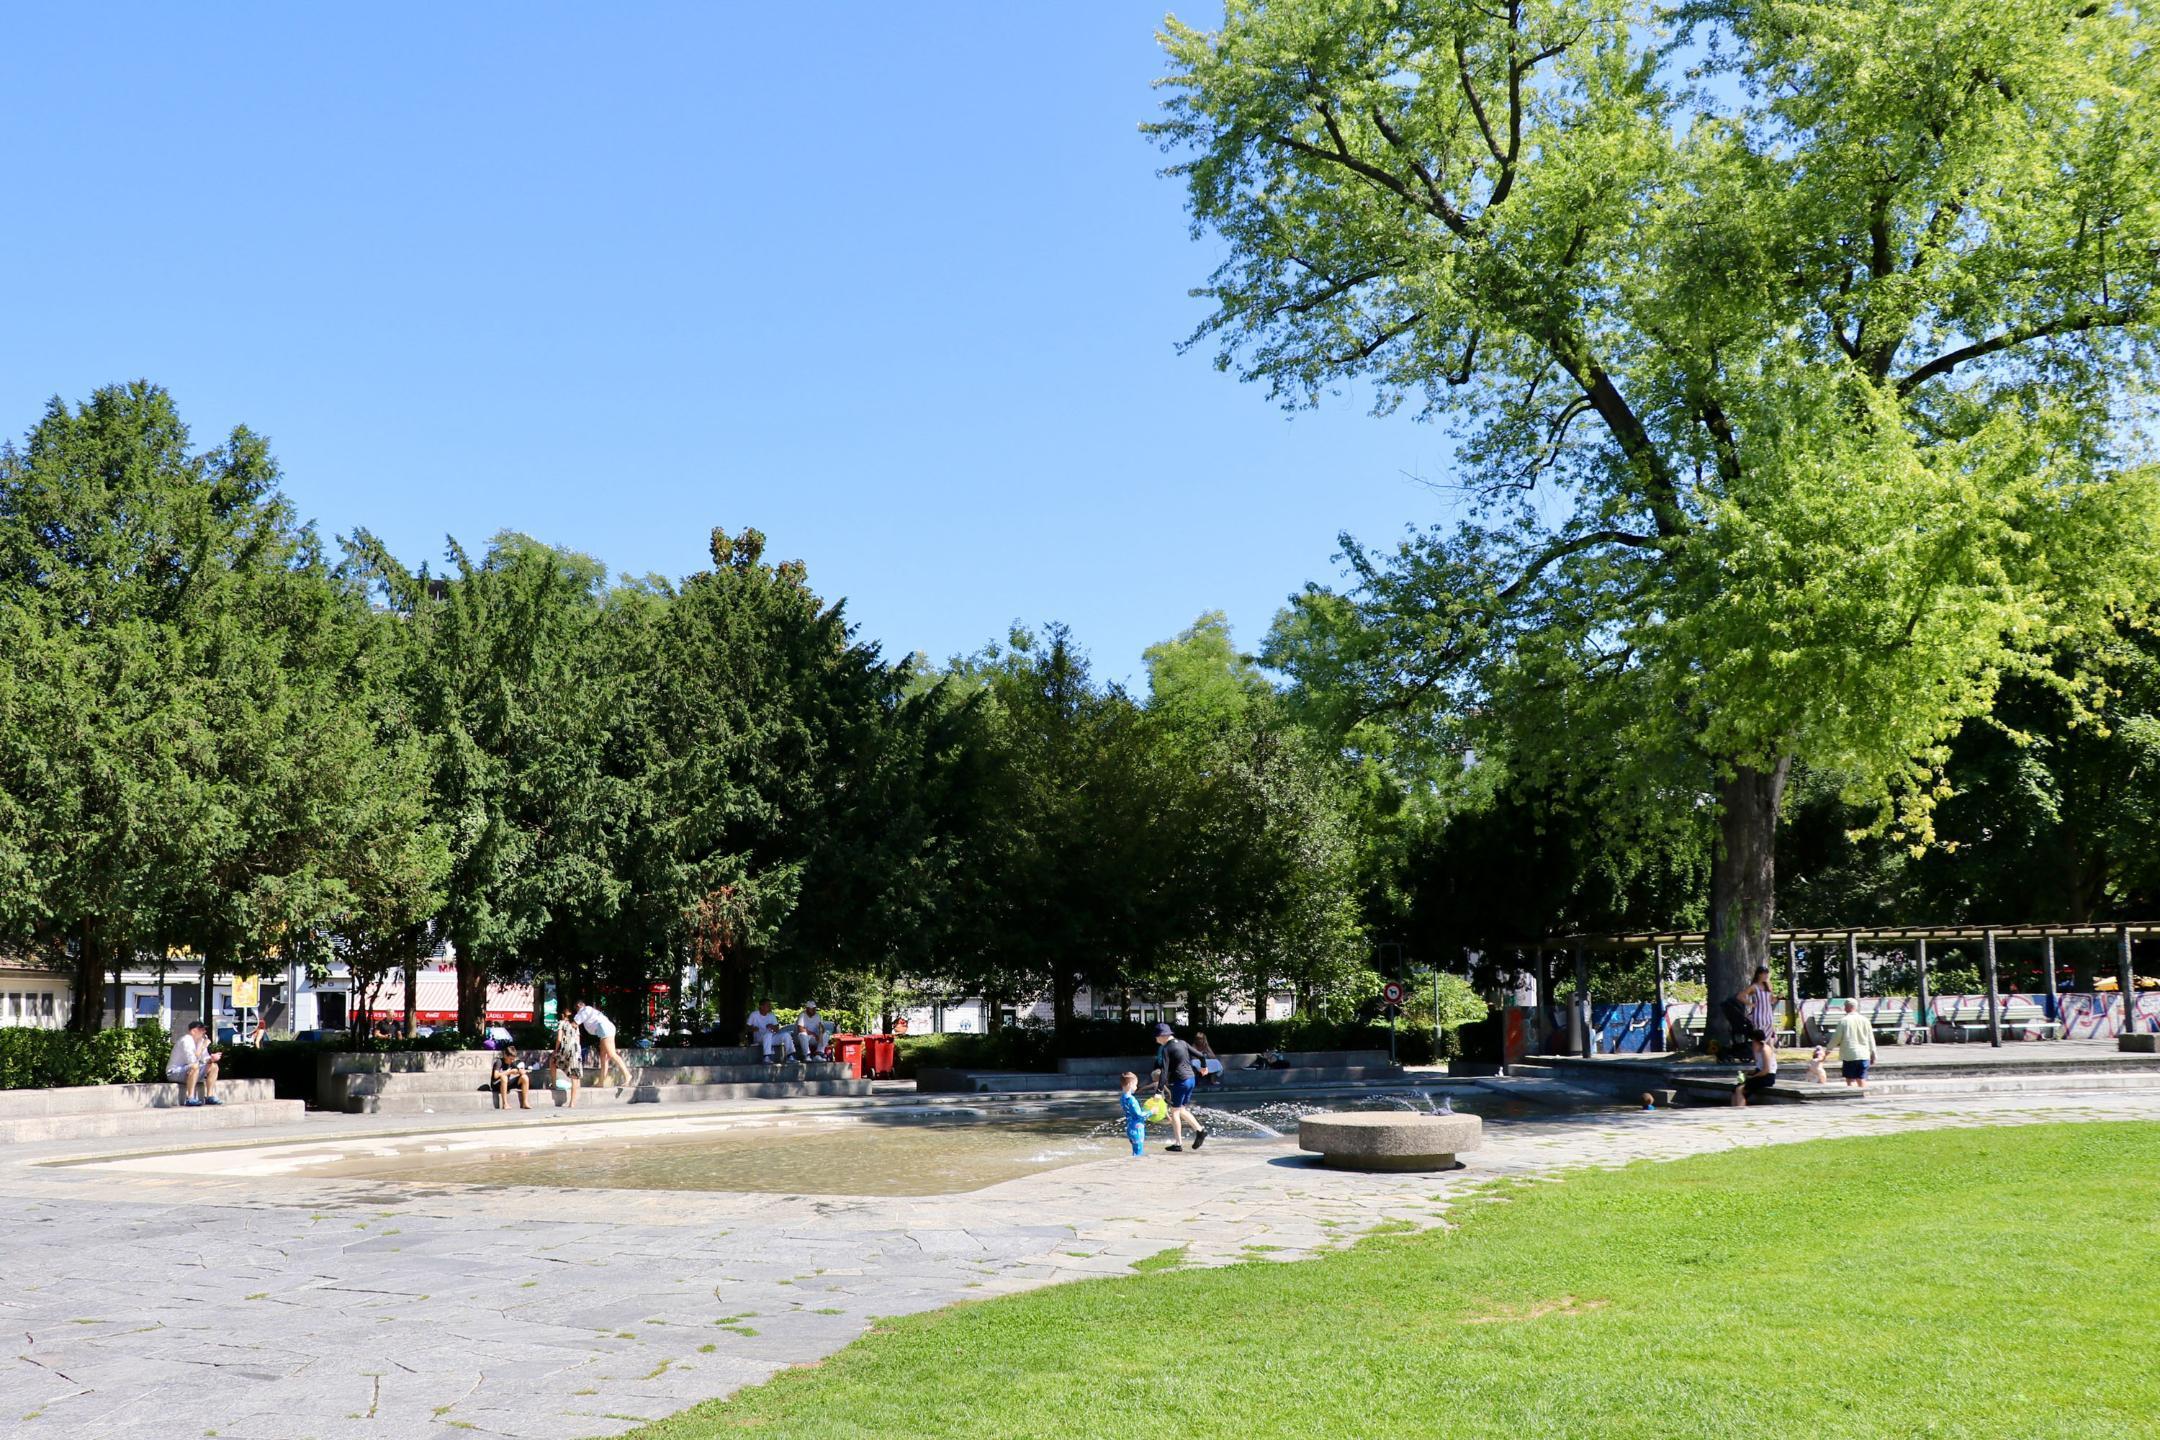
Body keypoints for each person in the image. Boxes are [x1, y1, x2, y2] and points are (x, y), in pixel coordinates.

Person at [1148, 1022, 1208, 1152]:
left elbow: (1164, 1072)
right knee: (1181, 1109)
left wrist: (1158, 1092)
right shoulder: (1182, 1043)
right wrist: (1204, 1067)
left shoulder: (1166, 1049)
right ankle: (1200, 1131)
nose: (1156, 1040)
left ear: (1162, 1036)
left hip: (1181, 1081)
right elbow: (1201, 1055)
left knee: (1174, 1111)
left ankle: (1178, 1143)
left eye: (1156, 1037)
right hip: (1191, 1079)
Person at [167, 1021, 223, 1106]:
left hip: (190, 1071)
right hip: (174, 1072)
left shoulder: (201, 1041)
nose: (204, 1032)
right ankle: (190, 1098)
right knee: (194, 1066)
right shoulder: (186, 1040)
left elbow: (204, 1059)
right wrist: (204, 1046)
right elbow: (192, 1061)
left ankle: (210, 1096)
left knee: (214, 1066)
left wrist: (211, 1059)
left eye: (204, 1030)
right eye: (201, 1029)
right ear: (193, 1031)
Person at [1741, 965, 1779, 1079]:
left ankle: (1768, 1063)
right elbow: (1741, 996)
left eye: (1767, 974)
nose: (1766, 976)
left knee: (1769, 1039)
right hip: (1759, 1015)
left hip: (1768, 1016)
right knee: (1758, 1039)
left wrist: (1777, 997)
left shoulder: (1768, 986)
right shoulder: (1754, 987)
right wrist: (1751, 1004)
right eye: (1764, 973)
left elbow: (1771, 1001)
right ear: (1759, 974)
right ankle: (1758, 1063)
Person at [1831, 997, 1878, 1090]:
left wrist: (1828, 1049)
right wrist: (1873, 1054)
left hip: (1850, 1055)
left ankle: (1853, 1097)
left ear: (1847, 1007)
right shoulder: (1865, 1020)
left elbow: (1836, 1038)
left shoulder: (1844, 1021)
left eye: (1845, 1006)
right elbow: (1870, 1038)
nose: (1844, 1009)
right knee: (1861, 1079)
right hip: (1864, 1055)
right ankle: (1864, 1097)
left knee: (1850, 1080)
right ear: (1855, 1007)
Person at [549, 1013, 583, 1108]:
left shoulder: (562, 1023)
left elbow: (559, 1039)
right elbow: (578, 1040)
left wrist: (556, 1051)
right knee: (574, 1076)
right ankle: (572, 1103)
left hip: (566, 1049)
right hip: (576, 1050)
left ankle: (554, 1085)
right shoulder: (576, 1025)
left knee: (552, 1060)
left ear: (563, 1015)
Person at [490, 1045, 533, 1110]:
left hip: (506, 1083)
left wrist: (521, 1071)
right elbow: (495, 1076)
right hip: (496, 1084)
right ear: (505, 1056)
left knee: (525, 1077)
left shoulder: (512, 1062)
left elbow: (518, 1070)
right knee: (504, 1077)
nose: (512, 1061)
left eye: (513, 1059)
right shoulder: (499, 1062)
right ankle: (505, 1104)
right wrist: (509, 1072)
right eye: (510, 1059)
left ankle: (525, 1102)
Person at [1117, 1071, 1148, 1157]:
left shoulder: (1123, 1098)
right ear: (1130, 1084)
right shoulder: (1132, 1100)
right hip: (1137, 1128)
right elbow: (1139, 1115)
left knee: (1135, 1151)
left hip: (1130, 1127)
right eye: (1135, 1085)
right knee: (1138, 1152)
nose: (1136, 1087)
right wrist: (1151, 1112)